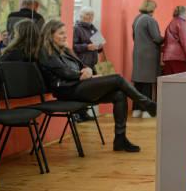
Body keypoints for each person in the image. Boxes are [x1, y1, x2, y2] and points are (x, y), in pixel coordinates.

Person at [37, 19, 156, 153]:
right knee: (117, 78)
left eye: (65, 33)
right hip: (66, 90)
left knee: (119, 95)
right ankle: (147, 104)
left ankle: (120, 139)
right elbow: (64, 72)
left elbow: (82, 66)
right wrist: (82, 74)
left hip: (78, 85)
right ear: (50, 34)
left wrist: (89, 72)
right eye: (61, 33)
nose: (65, 36)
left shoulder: (65, 50)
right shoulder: (45, 52)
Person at [132, 0, 164, 118]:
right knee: (147, 83)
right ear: (152, 8)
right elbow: (156, 38)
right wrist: (165, 38)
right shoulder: (150, 20)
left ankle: (136, 110)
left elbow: (134, 37)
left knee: (138, 83)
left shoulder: (136, 19)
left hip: (137, 53)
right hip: (148, 55)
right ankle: (147, 111)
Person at [72, 7, 103, 122]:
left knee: (89, 90)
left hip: (93, 63)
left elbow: (100, 47)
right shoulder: (76, 28)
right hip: (82, 63)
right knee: (81, 90)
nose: (90, 17)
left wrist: (100, 46)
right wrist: (87, 47)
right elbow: (73, 46)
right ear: (81, 16)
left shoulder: (93, 29)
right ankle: (77, 114)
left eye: (91, 15)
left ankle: (84, 113)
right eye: (87, 15)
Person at [162, 6, 186, 74]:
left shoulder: (172, 22)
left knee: (170, 83)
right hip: (179, 58)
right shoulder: (181, 23)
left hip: (168, 58)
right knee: (182, 82)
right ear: (182, 14)